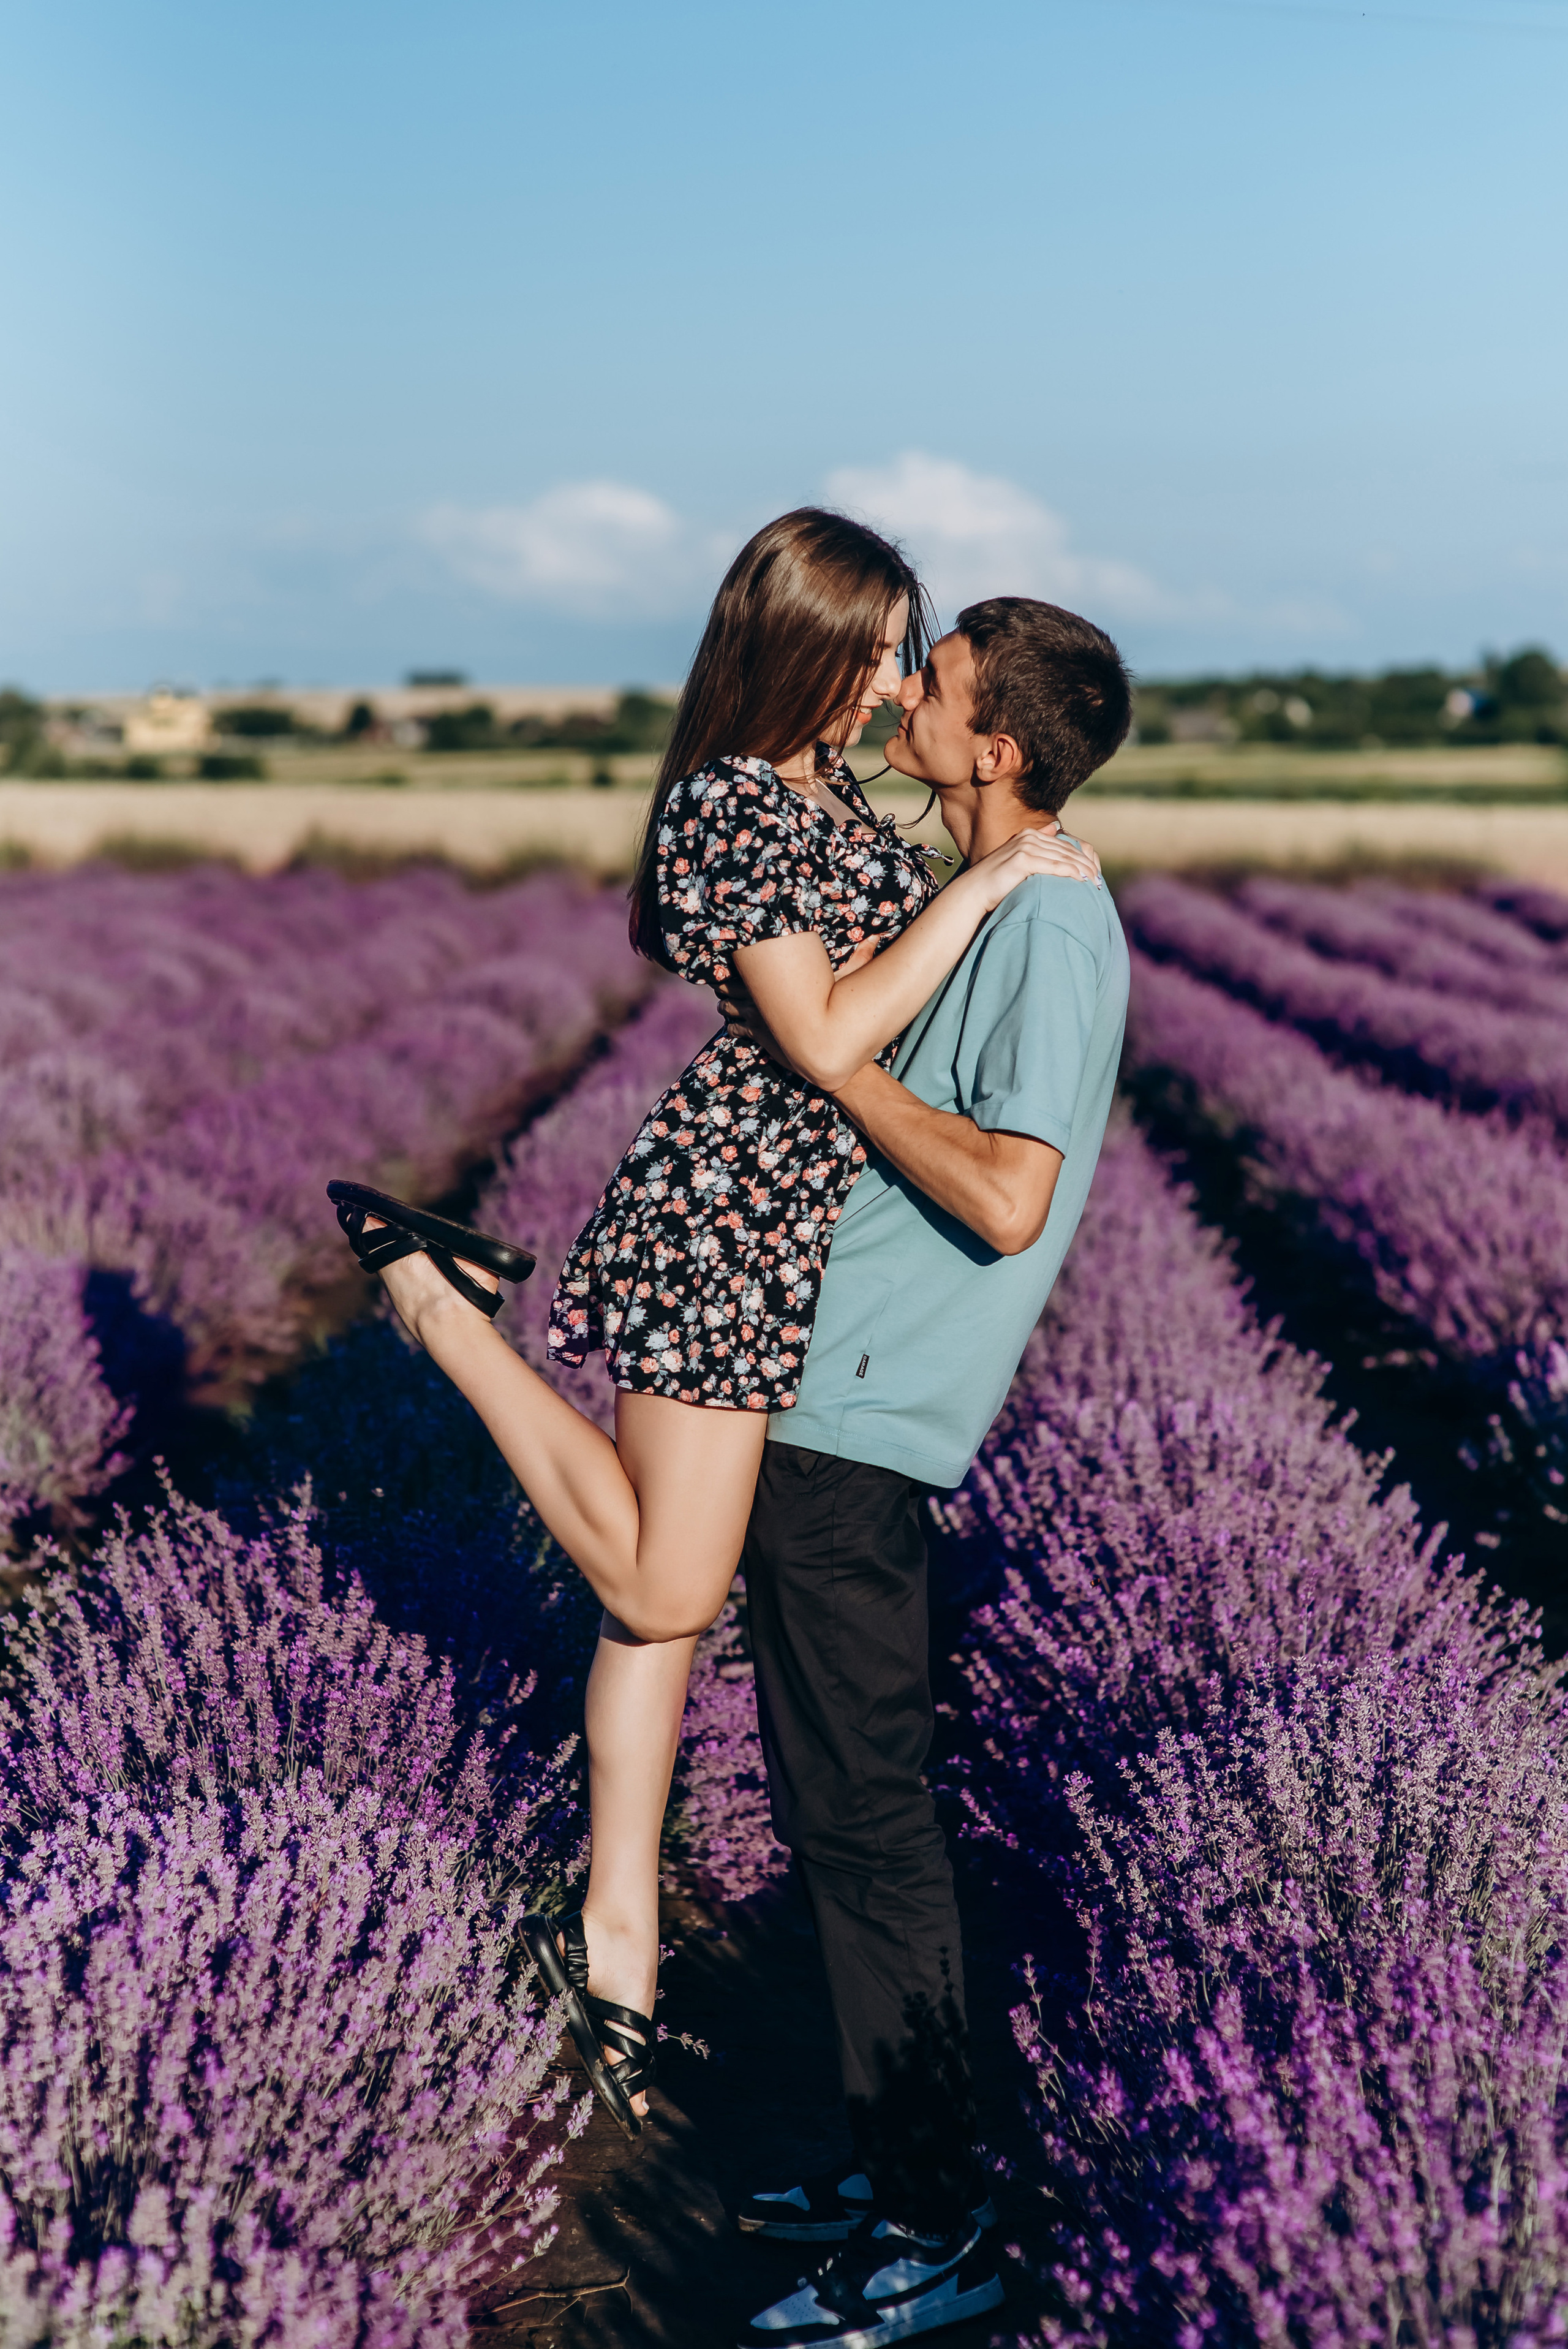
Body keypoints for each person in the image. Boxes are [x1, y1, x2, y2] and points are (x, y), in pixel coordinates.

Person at [328, 515, 1101, 2139]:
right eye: (885, 643)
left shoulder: (838, 798)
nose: (901, 672)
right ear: (809, 646)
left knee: (661, 1619)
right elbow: (821, 1033)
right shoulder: (730, 805)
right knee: (665, 1579)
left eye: (918, 653)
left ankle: (618, 1962)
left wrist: (1008, 867)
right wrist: (992, 886)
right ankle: (434, 1301)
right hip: (730, 1221)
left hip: (803, 1237)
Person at [727, 597, 1133, 2349]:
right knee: (839, 1810)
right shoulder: (1009, 883)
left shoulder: (1053, 926)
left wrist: (849, 1074)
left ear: (997, 747)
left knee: (873, 1820)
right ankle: (887, 2153)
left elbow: (1009, 1193)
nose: (904, 687)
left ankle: (933, 2218)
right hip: (835, 1400)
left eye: (936, 679)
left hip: (863, 1415)